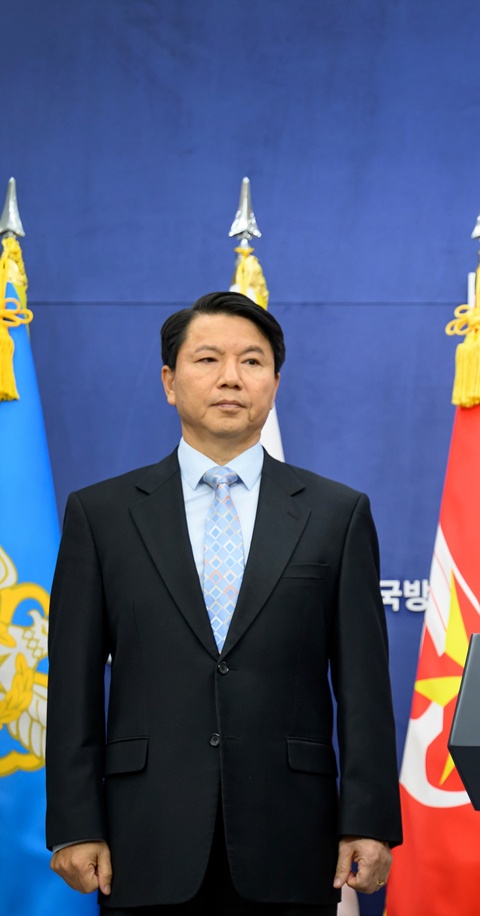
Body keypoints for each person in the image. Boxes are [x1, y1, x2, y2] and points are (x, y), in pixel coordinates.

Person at [46, 292, 402, 914]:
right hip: (145, 836)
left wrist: (368, 819)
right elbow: (73, 683)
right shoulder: (101, 515)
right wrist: (76, 823)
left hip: (292, 835)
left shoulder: (336, 514)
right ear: (169, 381)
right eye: (207, 358)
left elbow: (364, 685)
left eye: (252, 362)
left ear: (275, 383)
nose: (231, 378)